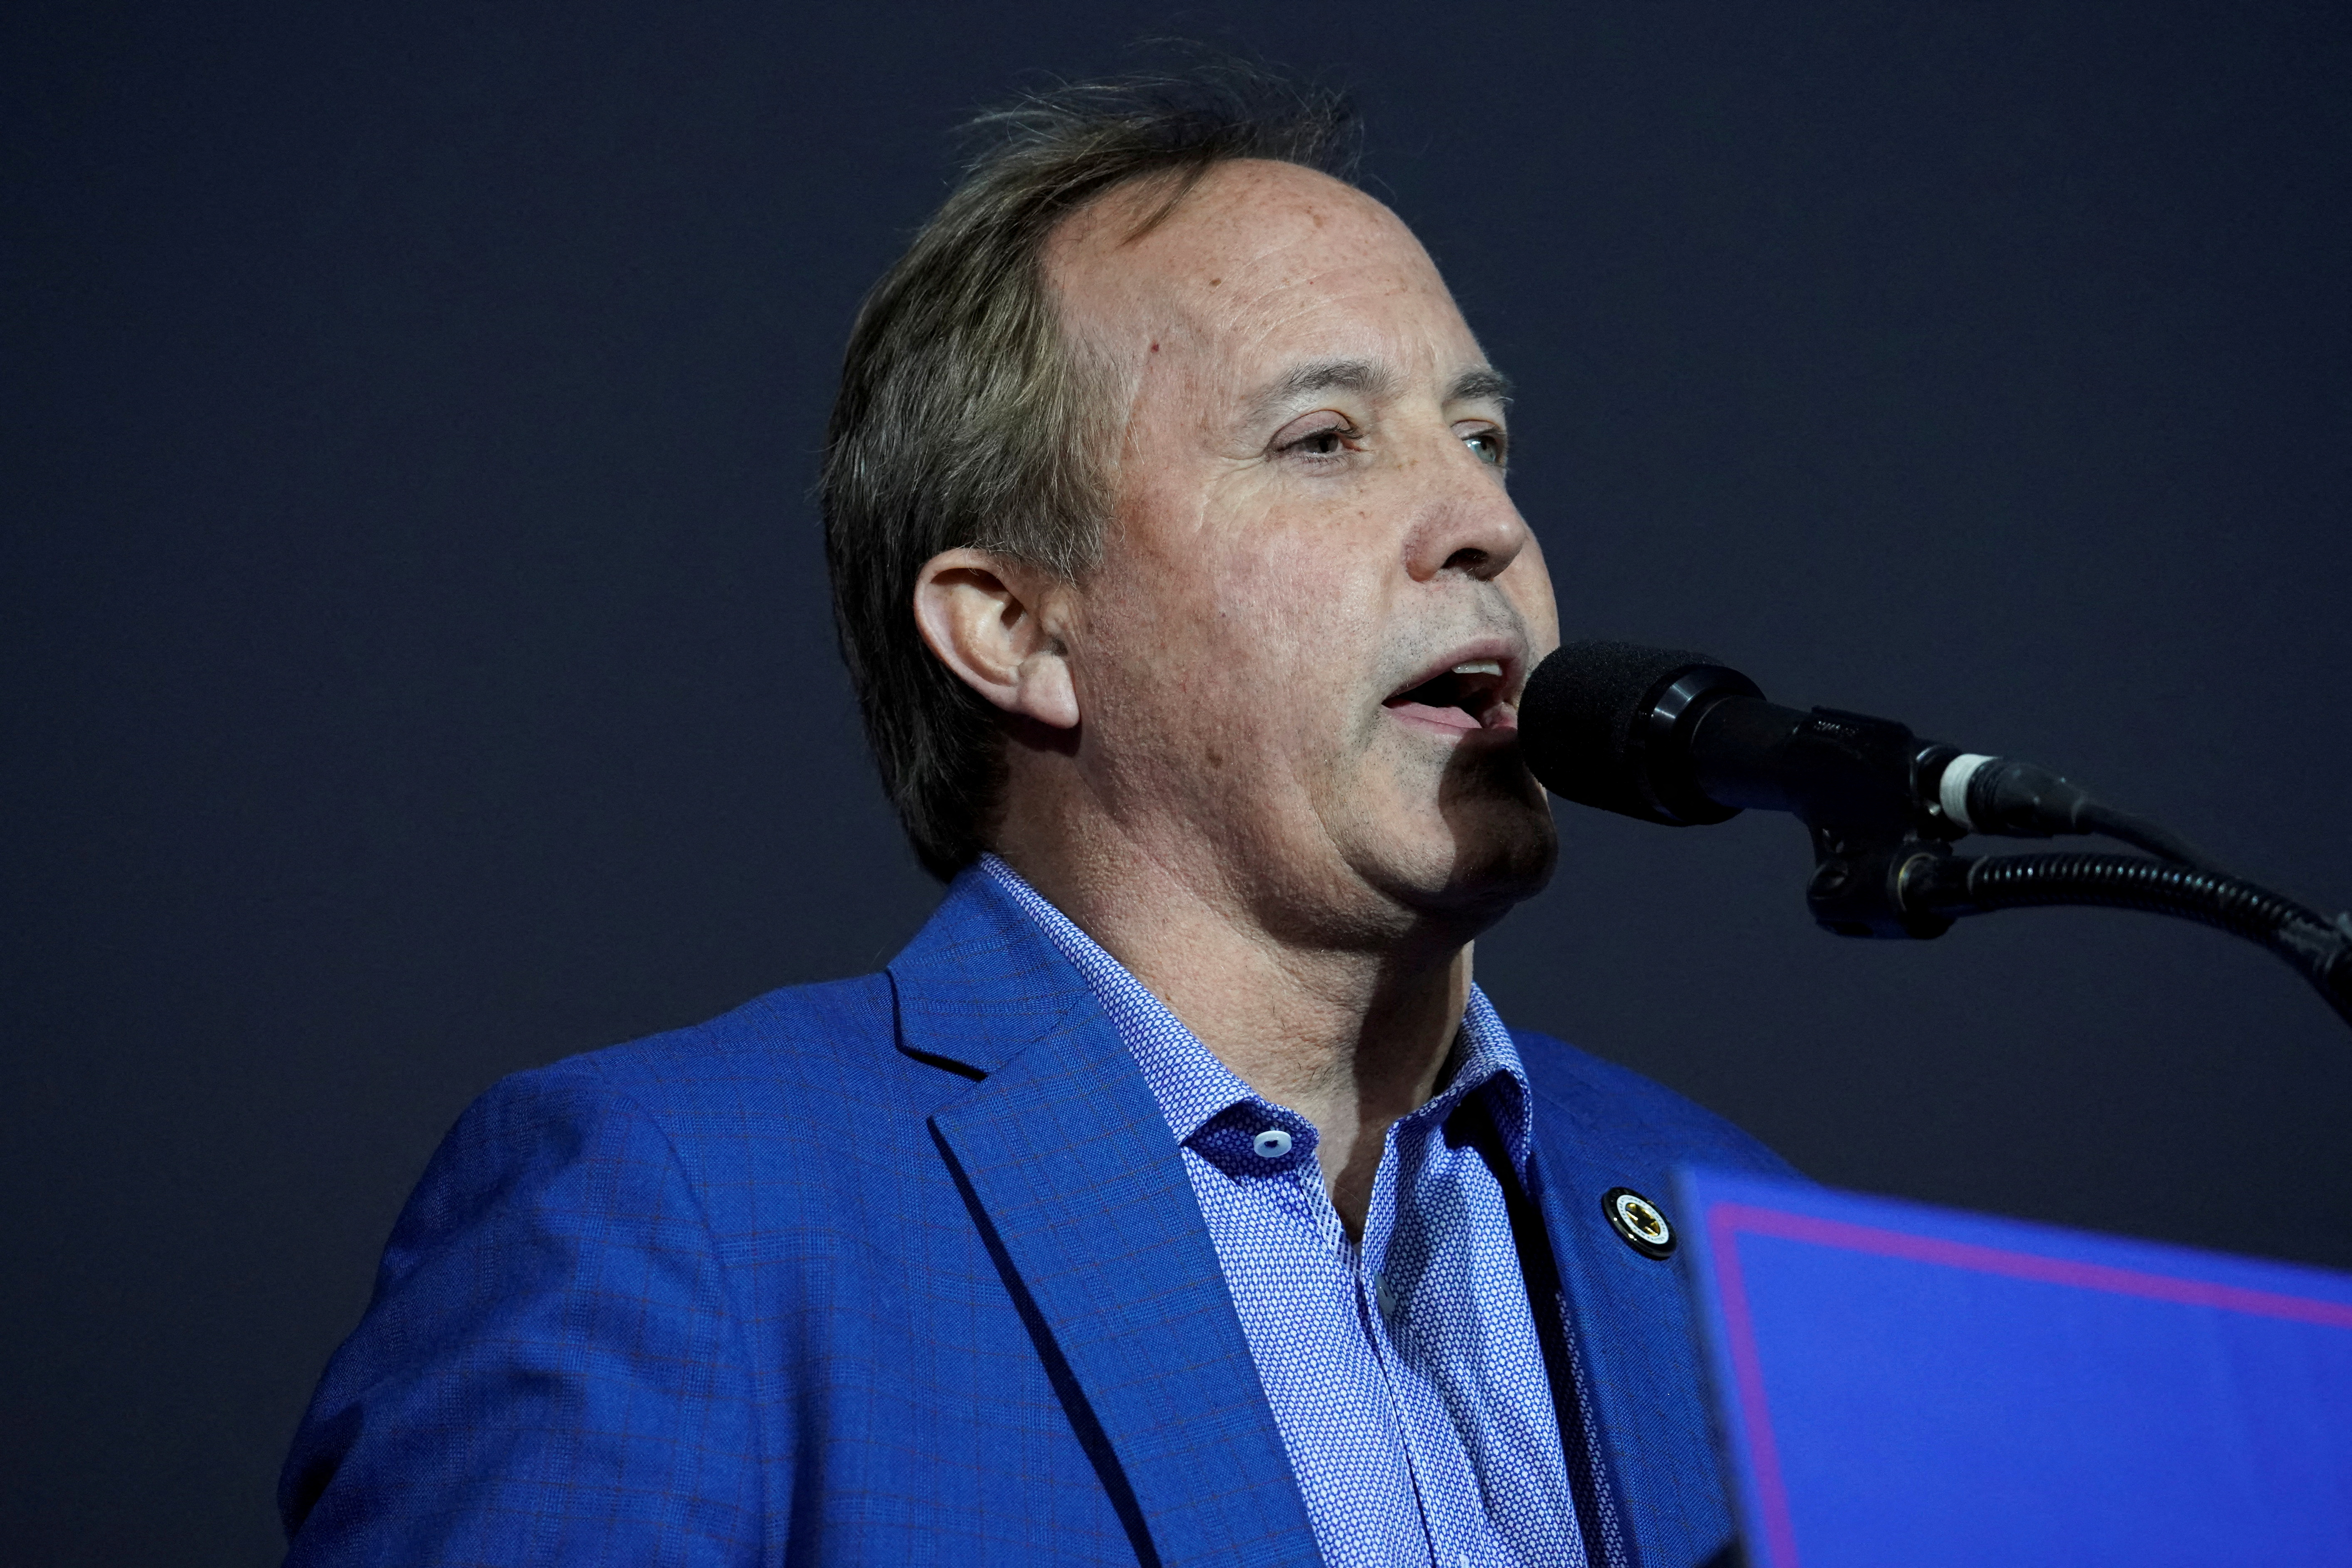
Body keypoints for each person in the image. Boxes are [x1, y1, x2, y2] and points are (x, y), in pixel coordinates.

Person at [279, 64, 1794, 1568]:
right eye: (1323, 438)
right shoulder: (679, 1215)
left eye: (1483, 438)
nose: (1488, 523)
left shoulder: (1733, 1224)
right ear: (1015, 628)